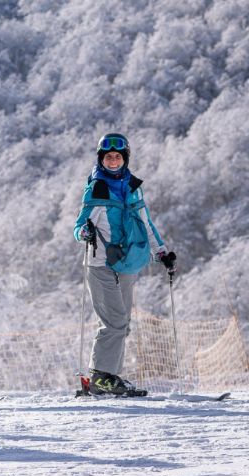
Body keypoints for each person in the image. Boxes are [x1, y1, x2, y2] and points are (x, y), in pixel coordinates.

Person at [73, 133, 176, 395]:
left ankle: (109, 376)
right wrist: (84, 233)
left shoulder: (132, 186)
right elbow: (79, 226)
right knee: (114, 321)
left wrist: (161, 252)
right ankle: (100, 377)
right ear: (101, 159)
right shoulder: (97, 187)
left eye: (118, 156)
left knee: (123, 322)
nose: (114, 160)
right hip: (100, 263)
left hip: (127, 262)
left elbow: (146, 223)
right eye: (108, 156)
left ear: (125, 158)